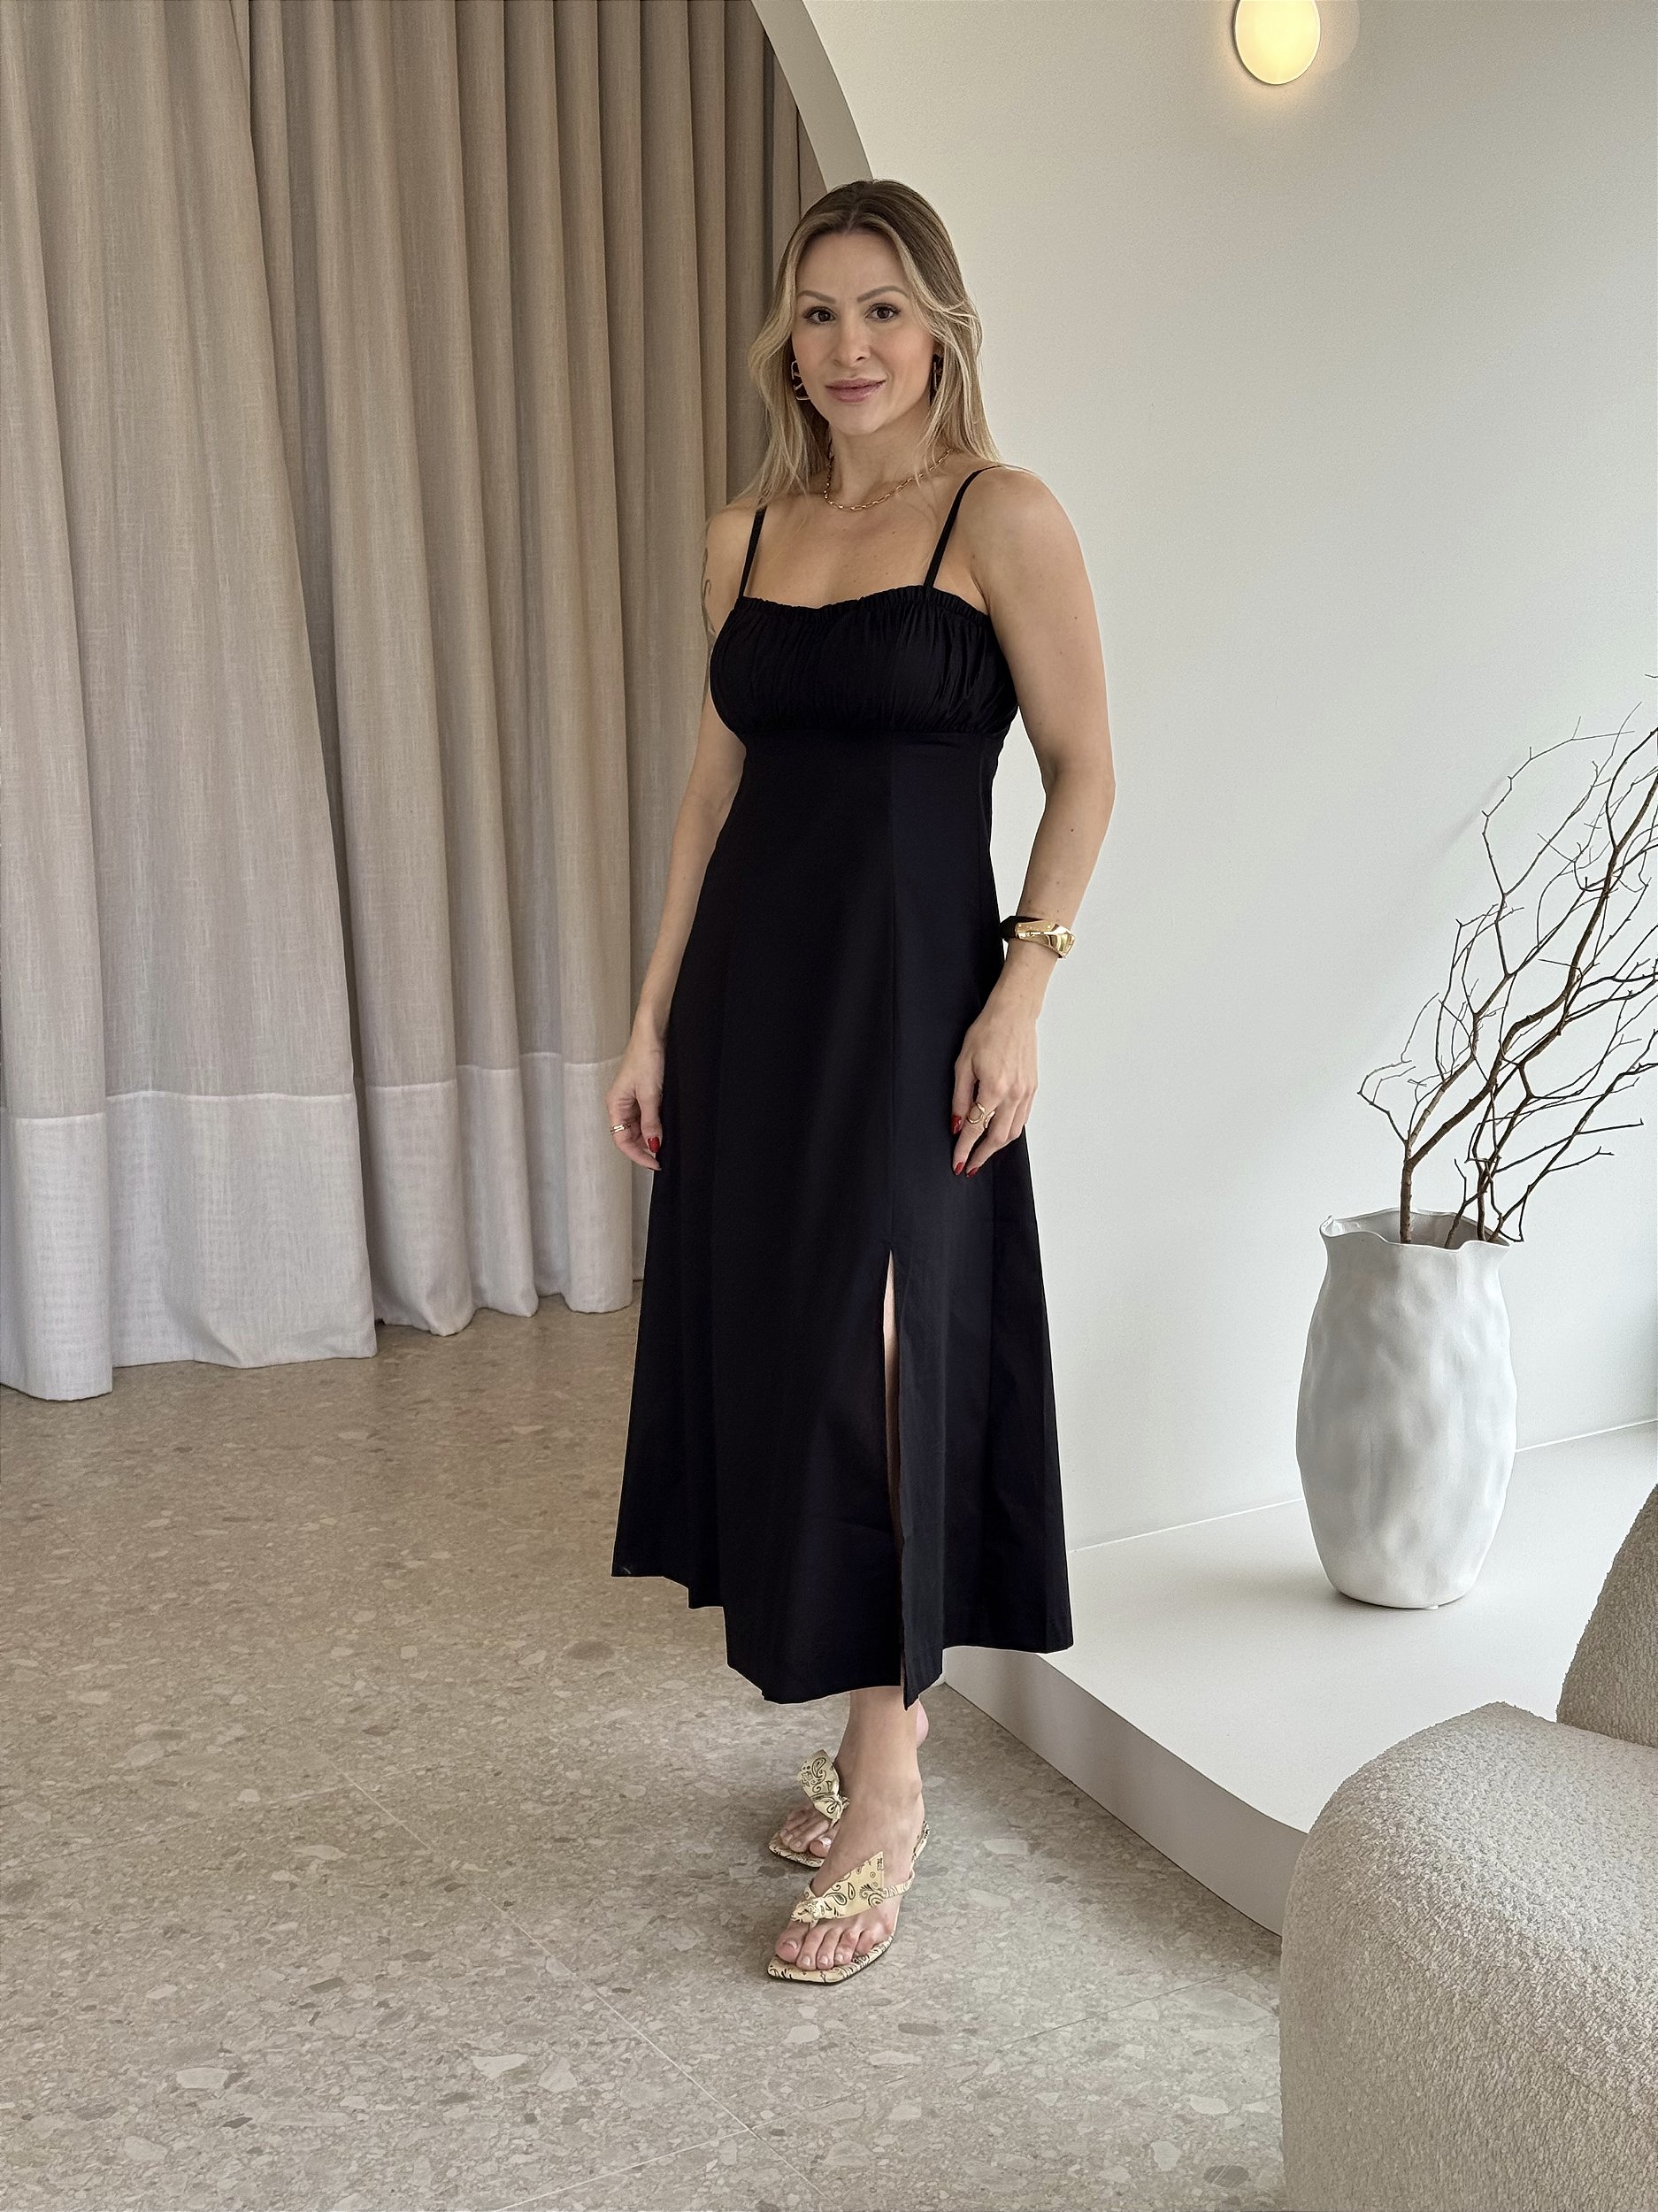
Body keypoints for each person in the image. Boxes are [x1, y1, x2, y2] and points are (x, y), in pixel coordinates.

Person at [605, 179, 1116, 1984]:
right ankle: (857, 1726)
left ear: (940, 326)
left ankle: (887, 1783)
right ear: (787, 338)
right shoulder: (742, 531)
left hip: (915, 1007)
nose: (848, 347)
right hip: (754, 1004)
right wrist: (651, 1017)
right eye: (818, 313)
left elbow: (1084, 768)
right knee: (788, 1363)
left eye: (882, 309)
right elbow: (710, 794)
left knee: (882, 1367)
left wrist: (1022, 991)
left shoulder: (1000, 515)